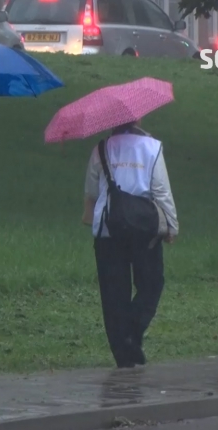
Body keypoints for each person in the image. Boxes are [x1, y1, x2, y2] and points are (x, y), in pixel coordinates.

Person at [82, 119, 178, 369]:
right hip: (144, 228)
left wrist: (89, 216)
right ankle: (133, 332)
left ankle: (122, 353)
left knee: (113, 293)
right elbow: (161, 191)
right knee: (152, 283)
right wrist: (171, 226)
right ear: (137, 119)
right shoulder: (152, 147)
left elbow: (92, 190)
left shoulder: (100, 149)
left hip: (108, 229)